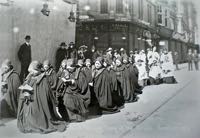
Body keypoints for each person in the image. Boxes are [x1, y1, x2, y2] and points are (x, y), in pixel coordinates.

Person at [17, 61, 67, 133]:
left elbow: (45, 94)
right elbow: (25, 85)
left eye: (33, 71)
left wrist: (33, 94)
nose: (32, 73)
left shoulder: (43, 79)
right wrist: (25, 90)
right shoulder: (30, 76)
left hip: (39, 102)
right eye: (30, 71)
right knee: (28, 111)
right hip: (30, 99)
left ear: (38, 70)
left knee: (35, 111)